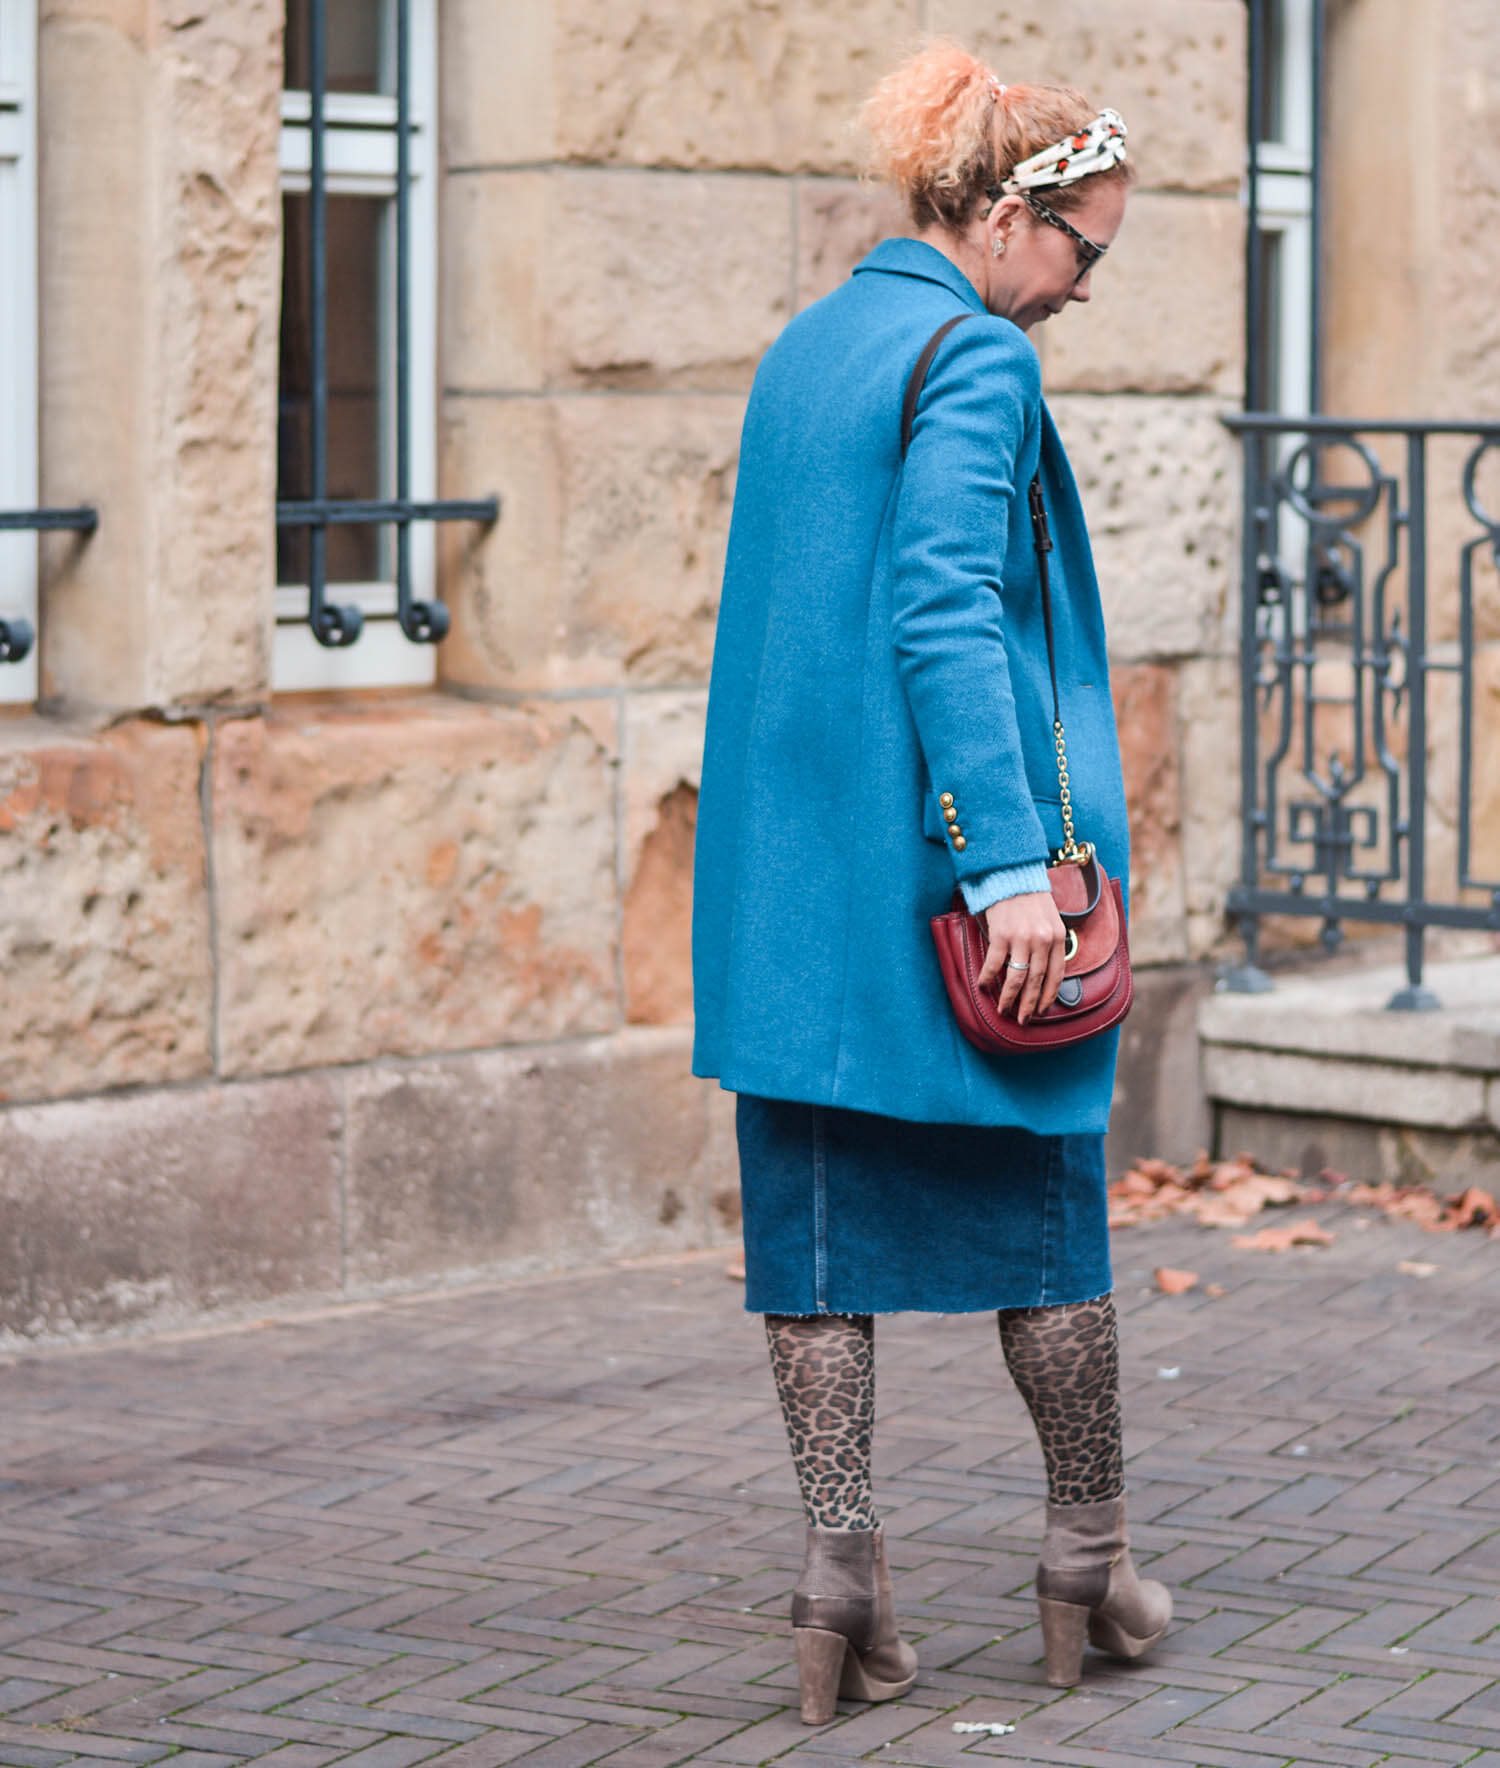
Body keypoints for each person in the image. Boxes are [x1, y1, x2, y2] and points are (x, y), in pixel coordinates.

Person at [691, 40, 1171, 1723]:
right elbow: (946, 611)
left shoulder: (806, 350)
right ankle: (1085, 1561)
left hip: (790, 914)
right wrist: (1010, 870)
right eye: (1083, 251)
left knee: (816, 1246)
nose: (1083, 291)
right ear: (1000, 214)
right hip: (950, 896)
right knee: (1044, 1212)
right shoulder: (975, 359)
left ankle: (841, 1584)